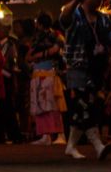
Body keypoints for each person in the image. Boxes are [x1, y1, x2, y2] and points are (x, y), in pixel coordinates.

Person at [59, 0, 111, 160]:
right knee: (83, 106)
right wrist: (75, 0)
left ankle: (71, 146)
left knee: (90, 107)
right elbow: (64, 18)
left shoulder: (103, 19)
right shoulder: (74, 13)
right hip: (78, 67)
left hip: (97, 70)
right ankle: (98, 145)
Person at [26, 13, 66, 146]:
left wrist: (39, 55)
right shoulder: (39, 37)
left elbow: (56, 50)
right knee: (41, 106)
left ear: (40, 24)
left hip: (50, 73)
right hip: (39, 73)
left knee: (53, 105)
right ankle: (45, 134)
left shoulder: (56, 35)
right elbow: (29, 55)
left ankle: (60, 134)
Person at [0, 21, 24, 144]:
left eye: (0, 29)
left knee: (8, 107)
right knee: (0, 107)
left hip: (7, 77)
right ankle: (1, 133)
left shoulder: (10, 45)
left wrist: (14, 79)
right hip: (0, 77)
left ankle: (14, 134)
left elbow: (14, 64)